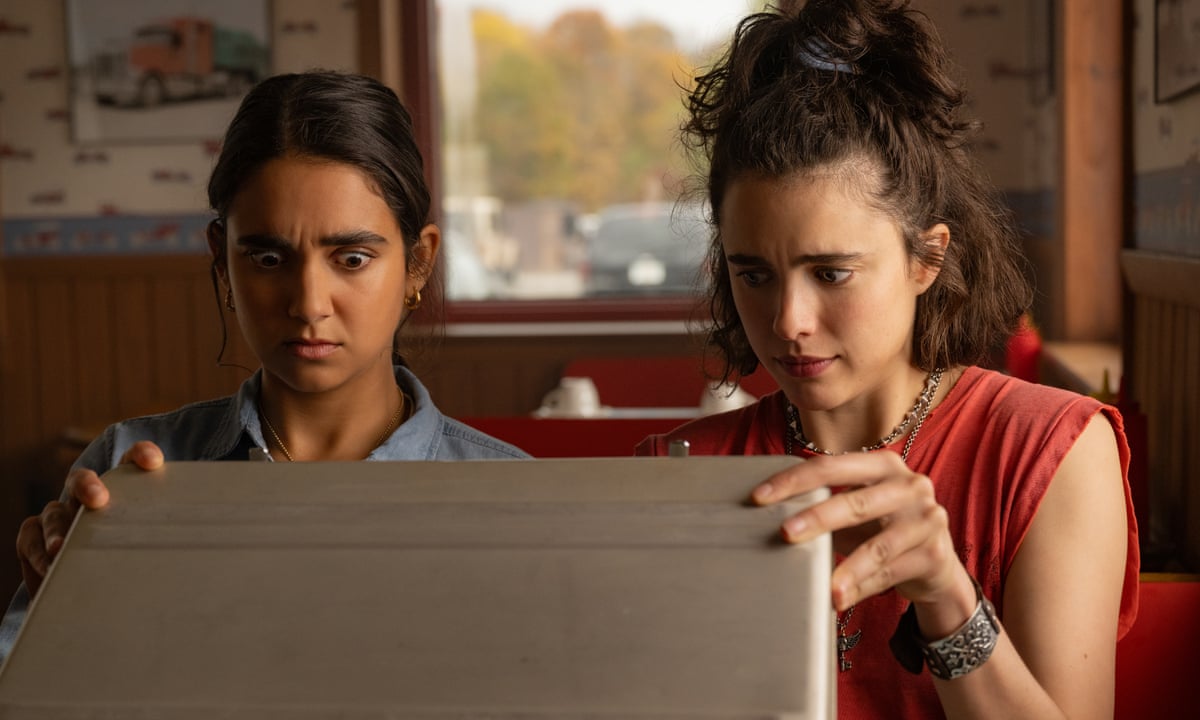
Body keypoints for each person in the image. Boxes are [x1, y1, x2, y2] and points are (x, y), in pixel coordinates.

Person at [637, 1, 1138, 718]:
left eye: (831, 273)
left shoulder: (1047, 451)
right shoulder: (682, 468)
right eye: (755, 275)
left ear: (928, 258)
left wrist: (948, 598)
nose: (788, 322)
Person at [1, 71, 528, 663]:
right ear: (223, 265)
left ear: (418, 263)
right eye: (269, 258)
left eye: (352, 258)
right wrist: (65, 620)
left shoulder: (518, 499)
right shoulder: (129, 474)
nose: (307, 304)